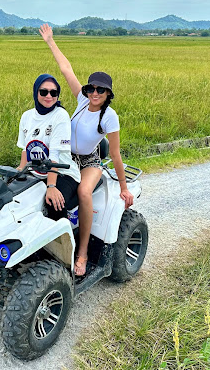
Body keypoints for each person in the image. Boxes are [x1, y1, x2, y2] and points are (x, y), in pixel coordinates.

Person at [38, 24, 134, 277]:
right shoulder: (82, 100)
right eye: (91, 88)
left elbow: (114, 154)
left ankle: (82, 252)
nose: (94, 93)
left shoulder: (110, 117)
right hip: (66, 156)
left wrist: (124, 188)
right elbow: (66, 68)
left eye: (100, 90)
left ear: (108, 94)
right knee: (42, 187)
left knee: (83, 191)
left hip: (90, 160)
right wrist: (50, 41)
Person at [17, 73, 81, 222]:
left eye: (54, 92)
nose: (49, 96)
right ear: (36, 92)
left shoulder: (60, 115)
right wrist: (19, 172)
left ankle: (62, 241)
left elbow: (55, 153)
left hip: (63, 173)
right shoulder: (27, 116)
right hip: (36, 173)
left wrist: (51, 186)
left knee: (53, 203)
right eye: (44, 92)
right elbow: (25, 149)